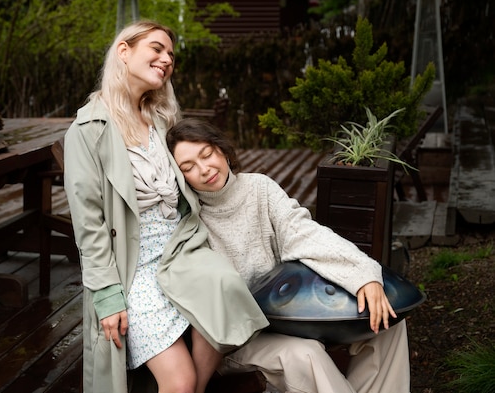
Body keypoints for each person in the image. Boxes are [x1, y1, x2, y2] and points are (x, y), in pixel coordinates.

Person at [63, 21, 268, 393]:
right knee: (180, 380)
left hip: (182, 251)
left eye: (170, 54)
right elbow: (88, 224)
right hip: (134, 264)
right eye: (156, 48)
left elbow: (198, 171)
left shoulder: (162, 120)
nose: (166, 59)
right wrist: (107, 296)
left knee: (220, 299)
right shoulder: (87, 130)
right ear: (123, 52)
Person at [166, 117, 412, 393]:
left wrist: (364, 274)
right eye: (188, 167)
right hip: (240, 338)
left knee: (387, 322)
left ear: (220, 149)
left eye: (207, 154)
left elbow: (303, 232)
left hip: (288, 317)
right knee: (304, 354)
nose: (204, 169)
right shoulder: (189, 221)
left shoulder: (259, 188)